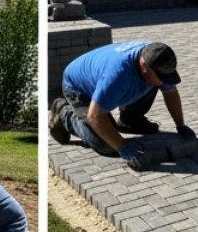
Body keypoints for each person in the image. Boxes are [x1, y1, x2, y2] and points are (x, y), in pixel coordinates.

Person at [49, 41, 190, 171]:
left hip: (117, 78)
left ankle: (130, 120)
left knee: (153, 83)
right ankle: (63, 114)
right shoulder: (117, 75)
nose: (163, 81)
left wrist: (180, 125)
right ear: (144, 66)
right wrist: (122, 146)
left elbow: (170, 91)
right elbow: (95, 115)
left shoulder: (157, 57)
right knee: (107, 145)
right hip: (79, 88)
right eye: (160, 77)